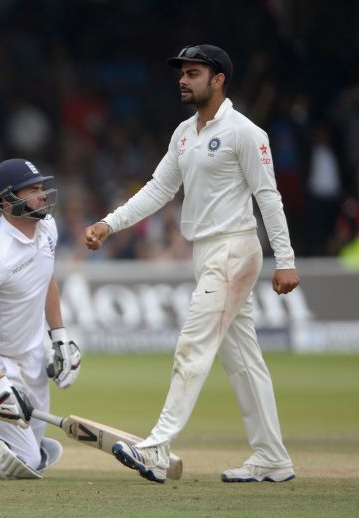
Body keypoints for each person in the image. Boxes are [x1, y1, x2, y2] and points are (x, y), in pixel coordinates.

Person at [85, 44, 299, 484]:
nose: (184, 79)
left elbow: (268, 197)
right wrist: (110, 223)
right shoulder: (184, 132)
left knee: (192, 346)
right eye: (182, 73)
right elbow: (159, 188)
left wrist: (286, 260)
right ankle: (272, 458)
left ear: (218, 79)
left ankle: (157, 449)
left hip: (235, 249)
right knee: (243, 363)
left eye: (194, 72)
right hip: (206, 252)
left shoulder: (245, 132)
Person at [0, 158, 81, 479]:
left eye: (42, 187)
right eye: (33, 190)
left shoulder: (48, 227)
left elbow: (46, 278)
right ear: (6, 201)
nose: (43, 195)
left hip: (33, 355)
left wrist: (60, 336)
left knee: (36, 452)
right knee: (25, 462)